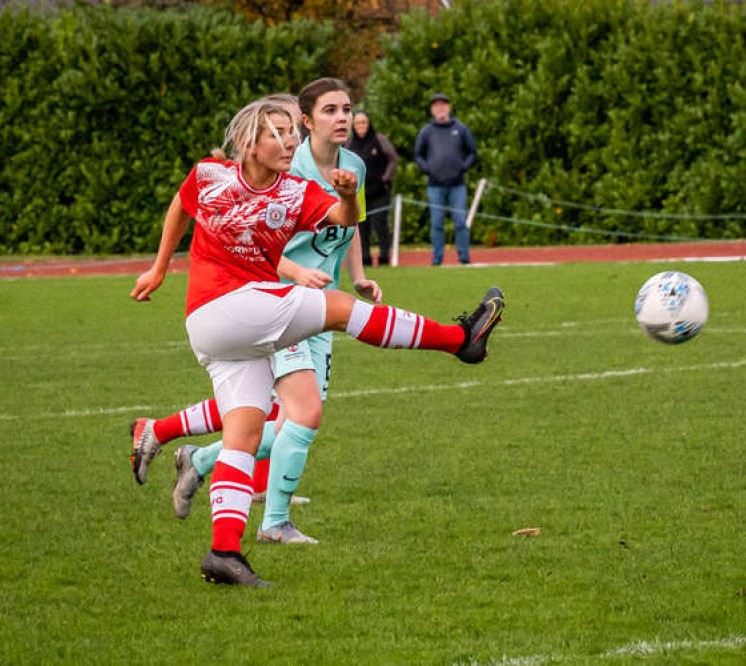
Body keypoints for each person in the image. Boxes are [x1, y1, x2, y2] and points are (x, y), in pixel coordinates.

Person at [131, 96, 505, 587]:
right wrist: (160, 267)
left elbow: (345, 220)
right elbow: (181, 206)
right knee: (340, 310)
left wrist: (349, 195)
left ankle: (224, 553)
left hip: (225, 331)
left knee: (243, 433)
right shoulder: (211, 175)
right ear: (249, 142)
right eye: (278, 132)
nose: (289, 141)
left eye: (291, 131)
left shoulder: (295, 190)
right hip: (223, 308)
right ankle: (461, 340)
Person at [130, 82, 377, 547]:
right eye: (331, 110)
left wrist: (359, 274)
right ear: (307, 122)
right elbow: (253, 236)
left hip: (324, 303)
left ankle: (193, 457)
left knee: (278, 416)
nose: (343, 118)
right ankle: (273, 521)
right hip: (276, 301)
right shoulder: (289, 162)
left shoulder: (354, 165)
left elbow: (349, 221)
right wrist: (293, 271)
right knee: (298, 415)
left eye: (348, 109)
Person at [413, 92, 477, 266]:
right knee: (436, 223)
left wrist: (463, 168)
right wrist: (428, 170)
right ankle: (437, 258)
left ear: (449, 107)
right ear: (432, 110)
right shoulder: (426, 131)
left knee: (460, 222)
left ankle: (464, 257)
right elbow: (418, 155)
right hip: (435, 185)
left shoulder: (461, 129)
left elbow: (472, 152)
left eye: (443, 105)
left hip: (458, 185)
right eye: (436, 106)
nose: (440, 109)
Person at [347, 111, 397, 267]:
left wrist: (385, 178)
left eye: (363, 122)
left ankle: (383, 257)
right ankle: (365, 259)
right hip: (359, 192)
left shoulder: (379, 140)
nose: (361, 126)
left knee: (380, 223)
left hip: (380, 191)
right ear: (353, 126)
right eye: (357, 123)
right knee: (362, 227)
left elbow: (393, 159)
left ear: (368, 124)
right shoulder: (349, 144)